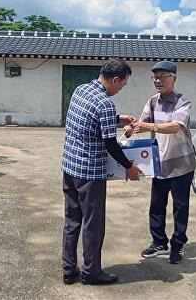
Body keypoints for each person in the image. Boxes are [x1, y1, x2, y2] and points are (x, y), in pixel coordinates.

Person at [61, 58, 143, 286]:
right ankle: (91, 272)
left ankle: (68, 270)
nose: (121, 89)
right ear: (115, 80)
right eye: (123, 85)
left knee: (72, 220)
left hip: (69, 167)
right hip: (89, 174)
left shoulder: (81, 90)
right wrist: (129, 167)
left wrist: (118, 119)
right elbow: (110, 144)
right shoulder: (105, 103)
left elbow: (90, 120)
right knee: (93, 225)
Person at [127, 60, 196, 264]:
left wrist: (149, 126)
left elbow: (175, 126)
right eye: (155, 77)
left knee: (180, 206)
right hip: (159, 163)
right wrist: (131, 129)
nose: (158, 81)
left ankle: (178, 245)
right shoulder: (152, 101)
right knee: (157, 205)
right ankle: (159, 242)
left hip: (181, 163)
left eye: (163, 77)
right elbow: (140, 122)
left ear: (173, 78)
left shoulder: (182, 101)